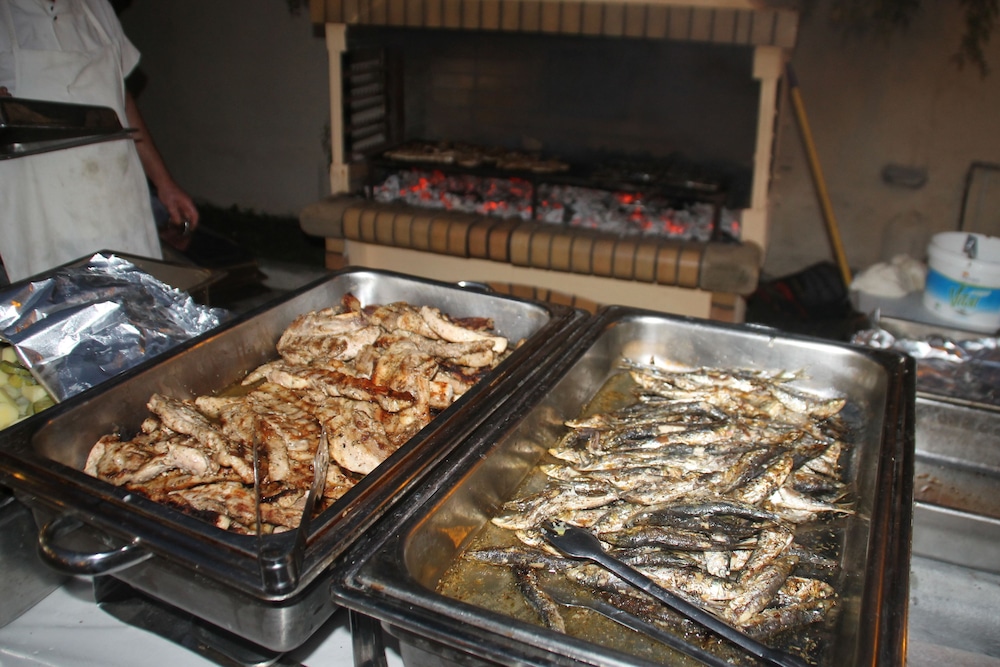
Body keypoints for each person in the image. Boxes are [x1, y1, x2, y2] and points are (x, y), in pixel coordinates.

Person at [0, 0, 198, 282]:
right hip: (41, 211)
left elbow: (122, 98)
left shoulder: (96, 6)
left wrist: (164, 182)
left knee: (138, 295)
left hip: (116, 197)